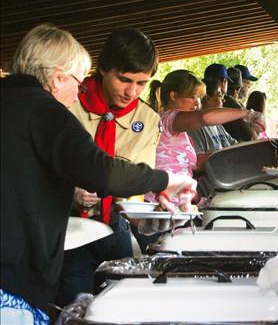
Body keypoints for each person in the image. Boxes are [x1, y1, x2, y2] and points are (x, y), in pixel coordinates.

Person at [0, 24, 197, 323]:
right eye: (76, 82)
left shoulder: (11, 102)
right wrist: (168, 180)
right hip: (20, 266)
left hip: (104, 228)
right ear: (57, 79)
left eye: (142, 83)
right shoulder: (46, 110)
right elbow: (101, 171)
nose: (76, 92)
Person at [56, 27, 162, 306]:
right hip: (66, 231)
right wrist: (71, 191)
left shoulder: (147, 119)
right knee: (72, 308)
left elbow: (140, 179)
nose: (132, 92)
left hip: (116, 229)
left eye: (142, 83)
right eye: (124, 79)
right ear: (102, 68)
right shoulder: (66, 105)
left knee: (120, 307)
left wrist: (142, 208)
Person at [148, 69, 264, 183]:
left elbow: (196, 164)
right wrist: (249, 114)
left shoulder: (180, 132)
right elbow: (204, 117)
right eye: (192, 97)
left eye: (198, 98)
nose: (197, 103)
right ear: (173, 96)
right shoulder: (167, 119)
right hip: (162, 197)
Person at [188, 78, 237, 155]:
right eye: (219, 96)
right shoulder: (195, 128)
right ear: (207, 98)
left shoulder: (217, 124)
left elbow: (234, 145)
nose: (223, 100)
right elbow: (199, 160)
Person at [223, 67, 259, 141]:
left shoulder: (238, 104)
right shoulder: (230, 103)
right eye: (247, 83)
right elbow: (251, 136)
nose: (249, 87)